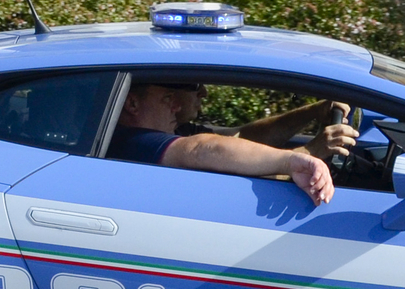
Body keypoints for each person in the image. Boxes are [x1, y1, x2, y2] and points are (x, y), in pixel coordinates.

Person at [109, 81, 358, 206]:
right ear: (132, 104)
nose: (176, 106)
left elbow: (240, 140)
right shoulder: (134, 142)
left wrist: (311, 112)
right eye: (167, 98)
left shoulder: (170, 129)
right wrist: (304, 156)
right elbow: (202, 149)